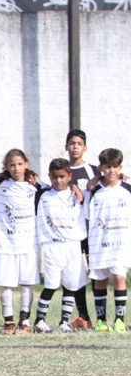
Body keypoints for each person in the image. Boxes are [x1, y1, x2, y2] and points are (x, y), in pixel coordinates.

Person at [0, 149, 43, 335]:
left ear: (26, 164)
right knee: (6, 284)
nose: (16, 168)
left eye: (20, 164)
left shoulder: (36, 185)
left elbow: (57, 186)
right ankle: (9, 321)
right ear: (7, 166)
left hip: (28, 243)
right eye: (12, 165)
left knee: (27, 284)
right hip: (6, 243)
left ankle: (24, 320)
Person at [33, 159, 87, 333]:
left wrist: (76, 188)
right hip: (52, 246)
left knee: (71, 285)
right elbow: (30, 180)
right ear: (49, 177)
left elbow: (94, 186)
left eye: (62, 177)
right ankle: (39, 321)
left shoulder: (76, 196)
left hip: (72, 245)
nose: (58, 180)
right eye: (54, 177)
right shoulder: (43, 195)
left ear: (69, 177)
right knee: (51, 284)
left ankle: (64, 322)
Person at [84, 148, 130, 332]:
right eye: (108, 167)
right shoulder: (93, 190)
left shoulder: (127, 188)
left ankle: (120, 320)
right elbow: (86, 215)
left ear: (120, 167)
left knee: (119, 277)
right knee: (100, 280)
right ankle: (101, 320)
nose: (112, 171)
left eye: (115, 167)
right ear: (100, 167)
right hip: (99, 243)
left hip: (121, 243)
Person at [65, 129, 99, 329]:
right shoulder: (61, 171)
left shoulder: (93, 171)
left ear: (85, 147)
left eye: (79, 143)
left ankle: (100, 315)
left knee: (95, 273)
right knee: (76, 273)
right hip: (71, 232)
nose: (75, 146)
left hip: (92, 229)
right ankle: (83, 316)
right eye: (72, 143)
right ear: (66, 147)